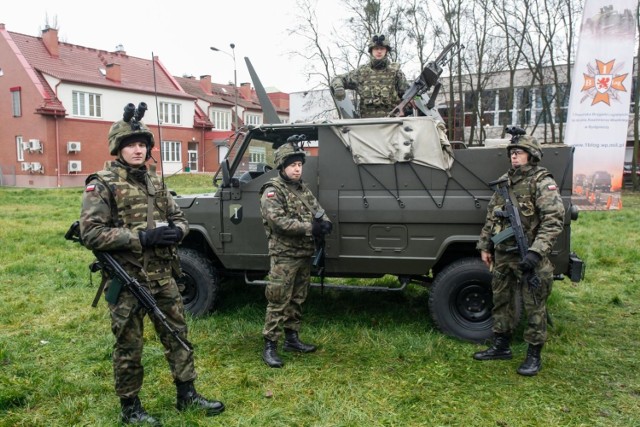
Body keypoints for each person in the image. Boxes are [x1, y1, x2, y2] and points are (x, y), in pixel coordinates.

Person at [79, 106, 224, 425]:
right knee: (129, 344)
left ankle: (188, 395)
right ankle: (130, 407)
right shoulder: (101, 184)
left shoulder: (155, 182)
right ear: (118, 148)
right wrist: (141, 237)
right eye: (130, 144)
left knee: (178, 335)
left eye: (142, 143)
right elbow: (91, 233)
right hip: (128, 279)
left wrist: (178, 231)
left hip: (163, 276)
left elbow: (180, 218)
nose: (138, 149)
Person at [474, 134, 565, 376]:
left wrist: (536, 253)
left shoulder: (542, 182)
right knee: (501, 300)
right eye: (512, 151)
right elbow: (492, 216)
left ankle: (533, 355)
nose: (514, 155)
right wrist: (485, 246)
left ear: (532, 155)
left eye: (520, 151)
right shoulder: (504, 182)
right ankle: (501, 346)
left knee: (534, 305)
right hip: (504, 255)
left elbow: (554, 220)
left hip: (530, 257)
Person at [258, 140, 332, 368]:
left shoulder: (302, 189)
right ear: (282, 166)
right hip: (284, 256)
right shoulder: (272, 191)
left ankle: (292, 339)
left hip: (303, 254)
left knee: (297, 299)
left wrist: (326, 223)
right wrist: (312, 228)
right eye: (292, 165)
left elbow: (318, 211)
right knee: (278, 300)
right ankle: (269, 345)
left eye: (299, 164)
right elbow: (279, 222)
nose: (297, 169)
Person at [331, 34, 409, 118]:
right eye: (376, 48)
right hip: (368, 126)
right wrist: (338, 87)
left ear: (386, 50)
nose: (379, 51)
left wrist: (415, 101)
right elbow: (338, 79)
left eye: (382, 48)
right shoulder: (361, 72)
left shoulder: (395, 72)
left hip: (392, 126)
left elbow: (409, 94)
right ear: (371, 51)